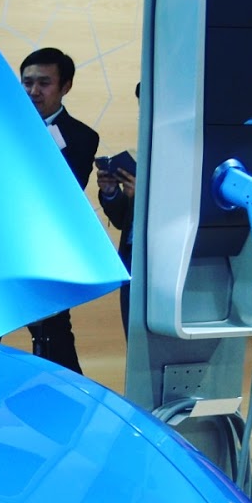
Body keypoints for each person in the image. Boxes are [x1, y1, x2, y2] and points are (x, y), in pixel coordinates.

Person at [19, 47, 99, 374]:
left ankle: (68, 396)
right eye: (27, 83)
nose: (33, 91)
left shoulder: (82, 137)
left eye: (44, 83)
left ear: (65, 86)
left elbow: (66, 193)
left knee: (53, 335)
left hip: (46, 250)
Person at [97, 83, 140, 332]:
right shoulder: (141, 153)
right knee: (133, 335)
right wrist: (111, 192)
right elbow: (124, 219)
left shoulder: (187, 154)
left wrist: (143, 197)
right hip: (131, 259)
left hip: (162, 262)